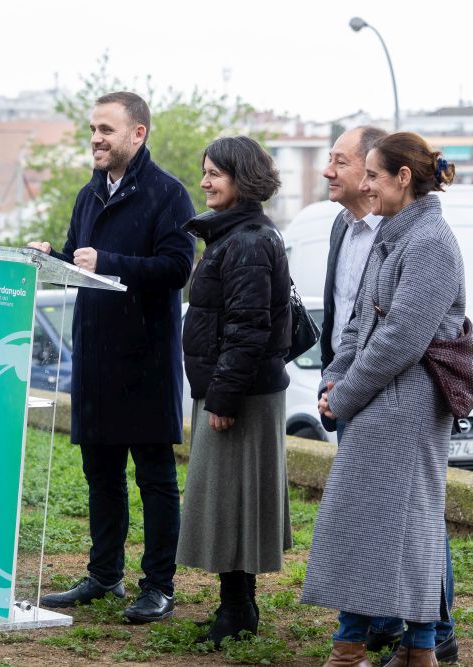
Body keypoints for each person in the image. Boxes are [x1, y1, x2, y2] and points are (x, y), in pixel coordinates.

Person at [28, 91, 195, 623]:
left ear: (137, 134)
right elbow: (82, 265)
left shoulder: (169, 195)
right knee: (100, 475)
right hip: (95, 359)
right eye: (92, 129)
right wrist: (48, 258)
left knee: (155, 478)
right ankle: (104, 577)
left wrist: (111, 261)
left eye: (106, 129)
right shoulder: (88, 194)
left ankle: (159, 585)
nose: (96, 139)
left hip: (146, 359)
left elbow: (176, 269)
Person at [304, 132, 462, 667]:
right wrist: (334, 379)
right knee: (376, 525)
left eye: (373, 175)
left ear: (402, 178)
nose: (365, 185)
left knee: (406, 527)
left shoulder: (433, 242)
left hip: (410, 407)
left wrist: (345, 395)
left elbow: (400, 339)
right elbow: (357, 327)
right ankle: (410, 651)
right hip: (379, 400)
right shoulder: (392, 234)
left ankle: (368, 648)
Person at [175, 136, 292, 647]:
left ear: (241, 178)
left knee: (232, 502)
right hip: (233, 389)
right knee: (230, 502)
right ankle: (238, 608)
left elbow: (248, 327)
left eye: (214, 174)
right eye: (204, 172)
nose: (204, 182)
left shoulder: (246, 241)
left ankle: (238, 610)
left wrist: (222, 398)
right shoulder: (234, 235)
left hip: (239, 395)